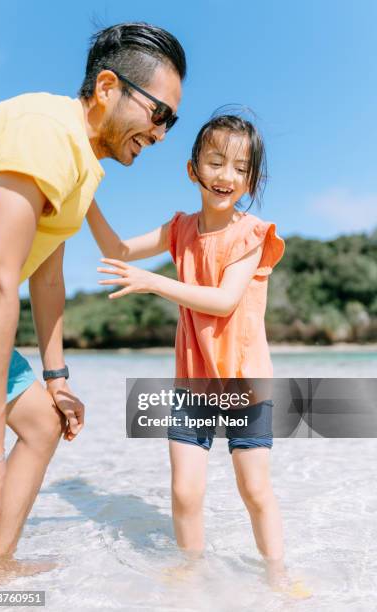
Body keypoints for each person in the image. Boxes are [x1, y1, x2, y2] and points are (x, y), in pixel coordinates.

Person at [0, 21, 186, 594]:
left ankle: (0, 565)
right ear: (108, 86)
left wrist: (56, 375)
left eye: (173, 121)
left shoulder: (82, 165)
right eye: (159, 113)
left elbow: (45, 275)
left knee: (41, 421)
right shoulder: (48, 132)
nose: (162, 134)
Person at [90, 113, 311, 598]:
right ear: (192, 170)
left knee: (254, 491)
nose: (225, 175)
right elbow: (119, 248)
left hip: (244, 384)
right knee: (185, 492)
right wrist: (83, 196)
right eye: (214, 162)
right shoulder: (178, 229)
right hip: (191, 386)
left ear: (251, 179)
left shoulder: (252, 235)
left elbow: (224, 300)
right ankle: (190, 575)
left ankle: (276, 574)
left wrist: (153, 282)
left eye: (239, 167)